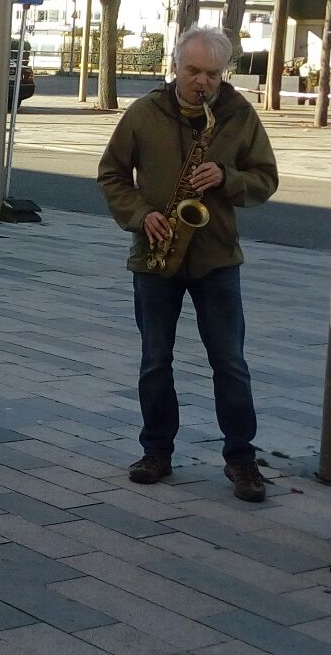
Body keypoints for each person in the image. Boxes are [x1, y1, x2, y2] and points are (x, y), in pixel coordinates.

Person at [97, 26, 279, 503]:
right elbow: (111, 174)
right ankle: (156, 451)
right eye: (193, 71)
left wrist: (227, 176)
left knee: (231, 363)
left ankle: (242, 459)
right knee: (155, 361)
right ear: (175, 68)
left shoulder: (238, 115)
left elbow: (266, 180)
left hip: (217, 259)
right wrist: (141, 216)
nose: (203, 82)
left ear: (224, 74)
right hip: (156, 258)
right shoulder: (143, 113)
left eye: (213, 74)